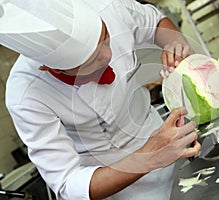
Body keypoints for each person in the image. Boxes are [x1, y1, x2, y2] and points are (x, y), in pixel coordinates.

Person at [0, 0, 201, 199]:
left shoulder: (109, 7)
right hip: (111, 182)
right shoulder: (25, 94)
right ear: (49, 68)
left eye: (106, 38)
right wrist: (148, 157)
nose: (108, 55)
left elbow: (155, 21)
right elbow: (67, 183)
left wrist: (176, 46)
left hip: (166, 141)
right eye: (93, 61)